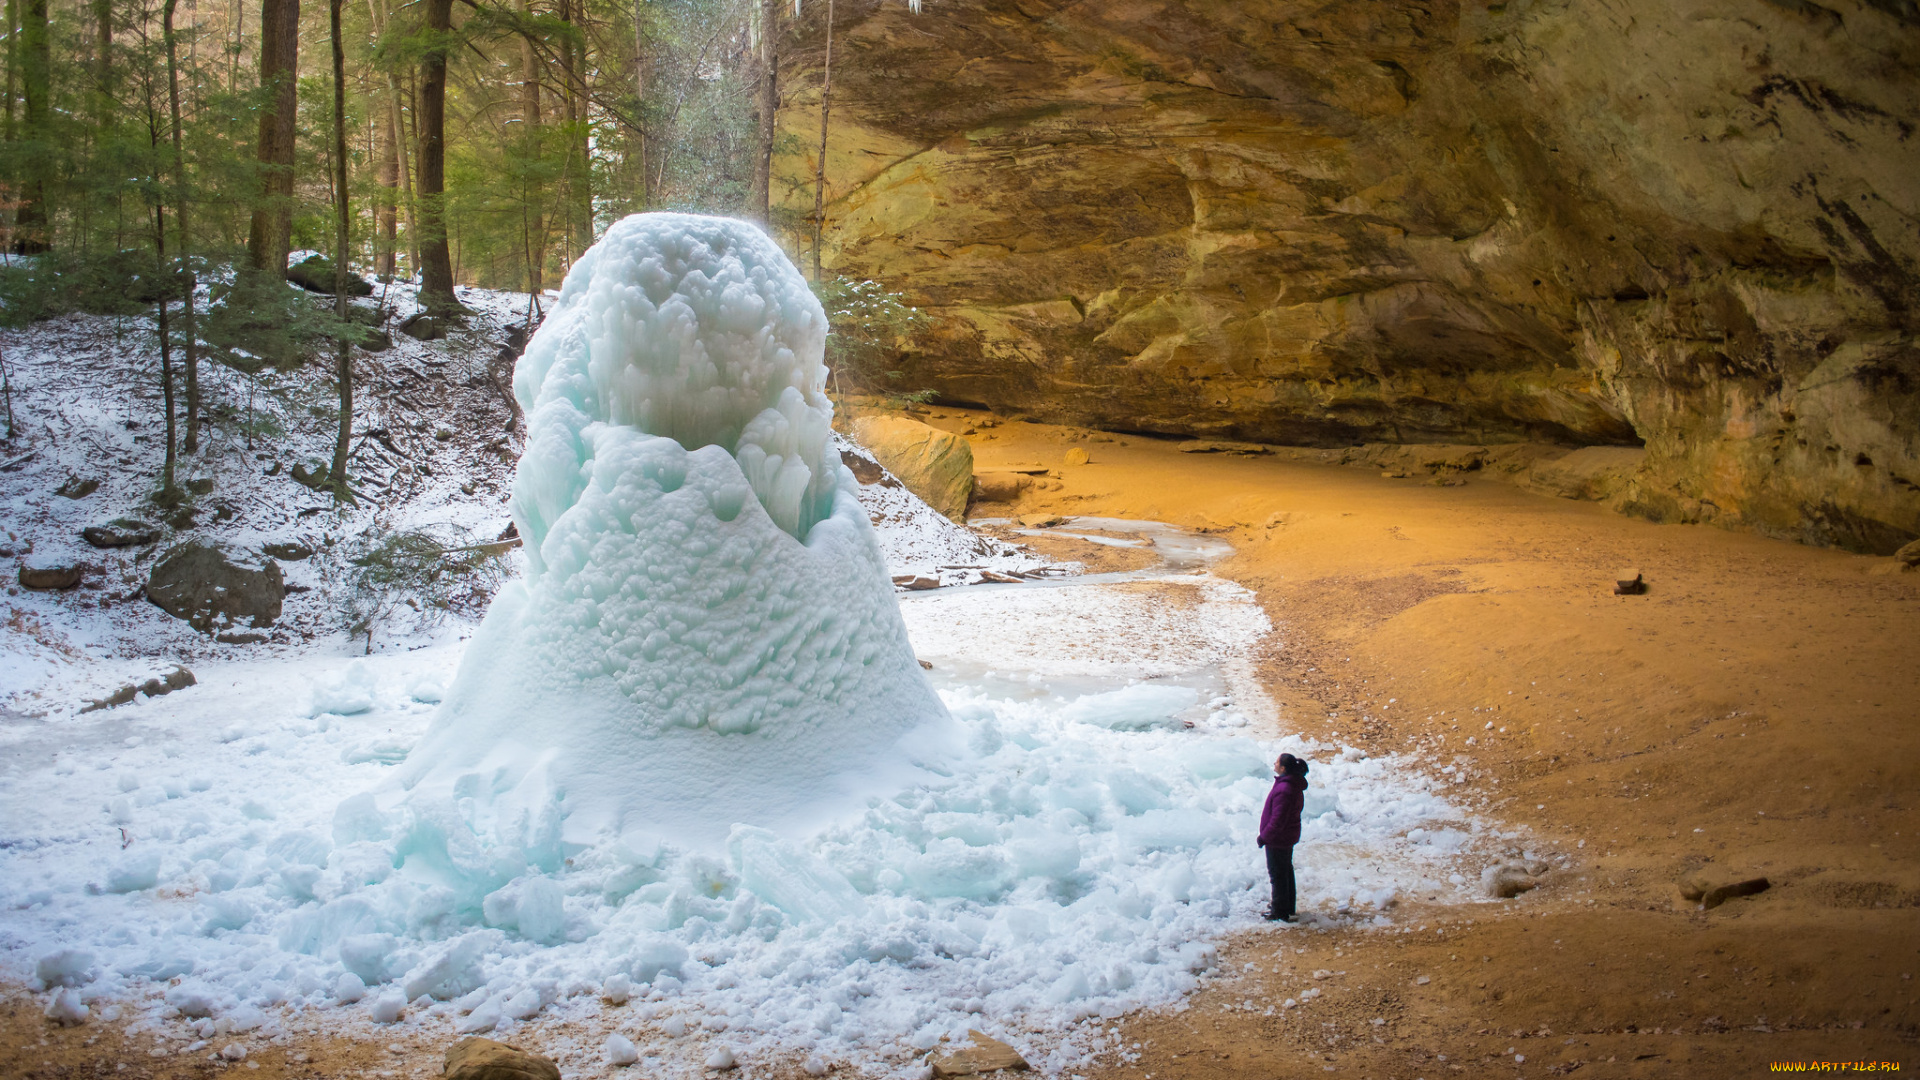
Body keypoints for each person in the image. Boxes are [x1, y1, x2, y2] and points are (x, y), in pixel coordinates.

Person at [1257, 752, 1309, 921]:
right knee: (1285, 871)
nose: (1275, 763)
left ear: (1283, 768)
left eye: (1277, 762)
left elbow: (1278, 820)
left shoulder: (1285, 789)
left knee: (1278, 874)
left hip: (1278, 839)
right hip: (1286, 836)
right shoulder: (1291, 785)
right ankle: (1286, 906)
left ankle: (1279, 911)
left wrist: (1264, 837)